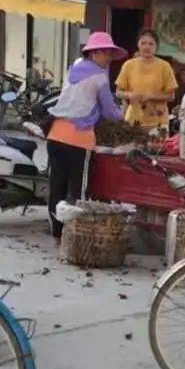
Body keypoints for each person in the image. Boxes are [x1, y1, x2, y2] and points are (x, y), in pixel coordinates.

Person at [46, 31, 126, 237]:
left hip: (55, 135)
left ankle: (56, 230)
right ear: (96, 53)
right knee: (77, 190)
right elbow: (110, 113)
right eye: (107, 53)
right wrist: (124, 112)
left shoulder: (72, 69)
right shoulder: (99, 77)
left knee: (56, 185)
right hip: (78, 139)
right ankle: (74, 234)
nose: (109, 58)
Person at [115, 28, 178, 129]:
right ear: (138, 45)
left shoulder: (165, 66)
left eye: (151, 44)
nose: (146, 47)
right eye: (143, 43)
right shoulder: (128, 65)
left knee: (157, 144)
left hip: (158, 120)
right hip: (133, 119)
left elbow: (171, 96)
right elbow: (118, 92)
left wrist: (151, 96)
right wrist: (130, 95)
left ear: (156, 47)